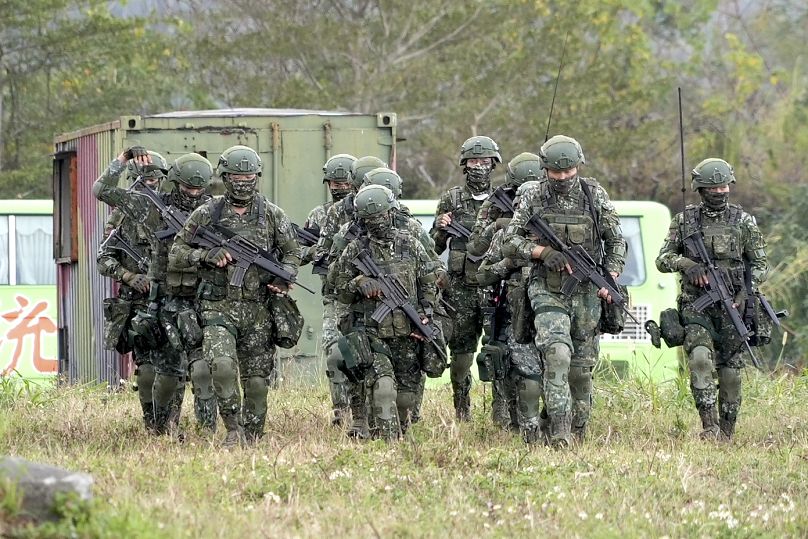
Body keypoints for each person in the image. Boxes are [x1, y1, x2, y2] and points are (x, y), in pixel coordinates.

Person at [170, 145, 302, 446]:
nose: (243, 182)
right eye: (236, 177)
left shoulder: (271, 215)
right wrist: (207, 254)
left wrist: (286, 275)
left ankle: (252, 437)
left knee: (257, 382)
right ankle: (232, 428)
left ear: (257, 177)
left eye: (249, 176)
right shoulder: (207, 213)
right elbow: (177, 253)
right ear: (225, 177)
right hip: (217, 306)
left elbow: (293, 252)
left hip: (258, 310)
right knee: (223, 366)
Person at [504, 135, 626, 447]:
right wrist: (540, 253)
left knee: (581, 372)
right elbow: (510, 241)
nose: (562, 178)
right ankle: (559, 432)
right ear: (544, 169)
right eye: (555, 173)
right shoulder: (533, 195)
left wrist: (609, 278)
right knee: (557, 354)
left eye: (568, 172)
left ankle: (574, 429)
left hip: (587, 295)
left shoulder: (594, 194)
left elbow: (616, 242)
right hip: (547, 290)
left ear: (578, 167)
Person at [655, 158, 769, 441]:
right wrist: (686, 264)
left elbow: (761, 264)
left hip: (733, 306)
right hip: (697, 306)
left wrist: (746, 291)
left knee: (731, 371)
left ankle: (726, 434)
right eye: (712, 188)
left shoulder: (743, 222)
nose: (719, 192)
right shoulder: (684, 222)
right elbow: (662, 260)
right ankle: (709, 426)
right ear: (700, 189)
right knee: (700, 359)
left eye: (723, 187)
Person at [331, 185, 439, 440]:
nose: (377, 223)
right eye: (369, 219)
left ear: (391, 213)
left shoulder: (411, 244)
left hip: (407, 333)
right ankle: (388, 443)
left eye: (380, 216)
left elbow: (428, 282)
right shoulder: (354, 249)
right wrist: (358, 283)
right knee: (383, 388)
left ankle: (396, 435)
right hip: (371, 333)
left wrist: (426, 312)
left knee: (405, 400)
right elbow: (338, 290)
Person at [93, 148, 188, 433]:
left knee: (176, 367)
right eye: (145, 180)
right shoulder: (124, 215)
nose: (152, 185)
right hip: (137, 302)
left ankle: (171, 422)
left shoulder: (174, 211)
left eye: (156, 180)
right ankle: (152, 424)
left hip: (171, 298)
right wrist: (128, 275)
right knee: (146, 369)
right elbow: (103, 257)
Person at [473, 153, 543, 434]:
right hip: (512, 314)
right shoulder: (504, 235)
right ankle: (516, 425)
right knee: (514, 372)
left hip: (548, 312)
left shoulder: (556, 236)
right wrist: (507, 264)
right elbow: (482, 274)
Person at [431, 135, 500, 420]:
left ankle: (501, 410)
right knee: (460, 357)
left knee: (498, 351)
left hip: (495, 287)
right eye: (473, 161)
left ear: (493, 164)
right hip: (459, 290)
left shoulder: (503, 200)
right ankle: (462, 410)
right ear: (464, 165)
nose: (479, 167)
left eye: (484, 162)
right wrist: (441, 227)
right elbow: (434, 247)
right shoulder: (451, 199)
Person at [302, 154, 356, 426]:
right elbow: (299, 249)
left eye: (343, 181)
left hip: (362, 297)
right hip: (333, 296)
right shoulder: (320, 215)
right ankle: (341, 412)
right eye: (332, 182)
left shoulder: (367, 213)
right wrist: (318, 252)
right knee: (334, 355)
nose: (338, 187)